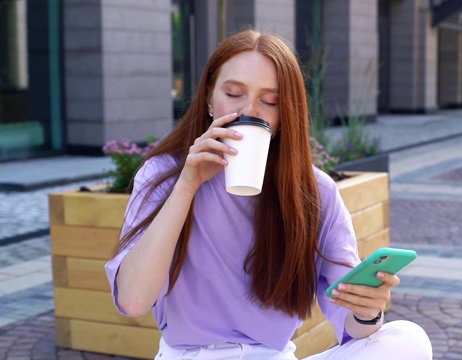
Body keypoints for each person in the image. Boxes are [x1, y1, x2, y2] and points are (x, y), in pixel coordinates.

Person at [105, 29, 432, 360]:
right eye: (233, 93)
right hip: (191, 355)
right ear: (208, 98)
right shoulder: (164, 174)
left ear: (283, 116)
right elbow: (133, 300)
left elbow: (351, 327)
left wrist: (367, 310)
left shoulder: (314, 191)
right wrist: (187, 185)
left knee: (409, 340)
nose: (250, 110)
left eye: (270, 101)